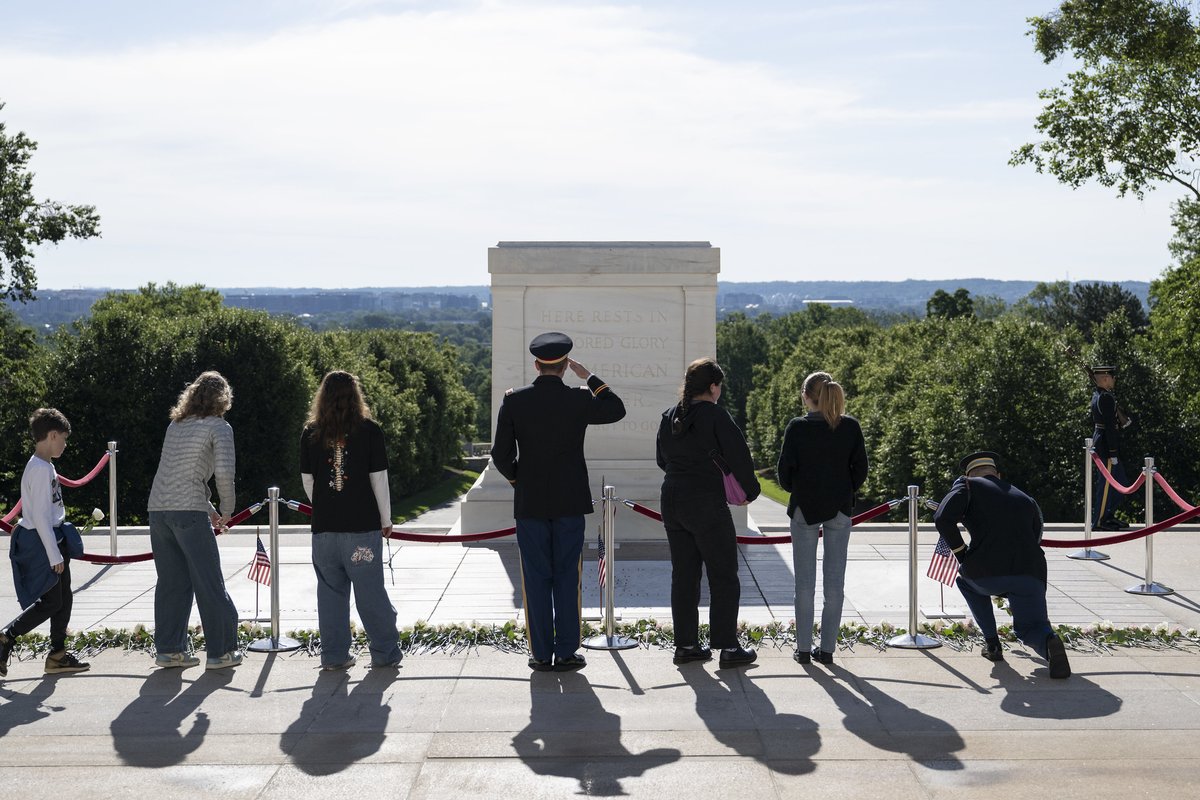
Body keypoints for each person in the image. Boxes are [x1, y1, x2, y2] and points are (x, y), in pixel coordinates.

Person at [491, 332, 626, 673]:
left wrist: (519, 480)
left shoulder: (515, 400)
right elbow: (616, 409)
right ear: (566, 365)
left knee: (536, 578)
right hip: (569, 501)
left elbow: (500, 455)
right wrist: (589, 377)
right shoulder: (578, 399)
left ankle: (540, 653)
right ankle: (566, 651)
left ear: (536, 365)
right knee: (568, 576)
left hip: (531, 502)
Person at [656, 357, 760, 669]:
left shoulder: (670, 415)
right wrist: (749, 493)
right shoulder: (715, 415)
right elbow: (740, 457)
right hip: (705, 501)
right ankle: (728, 647)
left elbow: (662, 459)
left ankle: (687, 645)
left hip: (671, 497)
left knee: (684, 575)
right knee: (724, 574)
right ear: (713, 387)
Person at [933, 450, 1070, 679]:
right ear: (997, 474)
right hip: (1031, 571)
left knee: (965, 581)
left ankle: (992, 644)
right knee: (1031, 628)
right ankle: (1050, 642)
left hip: (985, 571)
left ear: (970, 474)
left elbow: (942, 517)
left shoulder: (966, 486)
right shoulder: (1025, 497)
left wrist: (961, 553)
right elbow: (1037, 533)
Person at [299, 370, 402, 670]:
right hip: (361, 529)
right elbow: (378, 480)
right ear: (356, 396)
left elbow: (309, 481)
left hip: (324, 530)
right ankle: (384, 653)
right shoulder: (370, 431)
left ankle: (333, 656)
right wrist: (386, 519)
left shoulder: (310, 433)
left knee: (330, 595)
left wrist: (324, 506)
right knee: (370, 591)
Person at [147, 371, 242, 670]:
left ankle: (169, 649)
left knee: (171, 583)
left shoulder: (175, 425)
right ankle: (222, 651)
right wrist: (227, 510)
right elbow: (224, 473)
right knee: (209, 581)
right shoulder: (220, 427)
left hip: (158, 510)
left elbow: (179, 475)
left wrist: (210, 509)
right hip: (189, 512)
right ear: (223, 399)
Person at [776, 372, 868, 666]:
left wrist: (802, 489)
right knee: (834, 584)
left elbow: (785, 474)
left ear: (806, 396)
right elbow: (860, 470)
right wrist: (843, 489)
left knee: (804, 584)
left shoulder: (797, 428)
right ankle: (827, 650)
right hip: (840, 509)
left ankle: (803, 650)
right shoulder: (850, 427)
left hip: (805, 509)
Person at [0, 408, 90, 678]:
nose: (64, 444)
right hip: (45, 542)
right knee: (52, 601)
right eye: (63, 438)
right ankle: (7, 637)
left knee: (64, 598)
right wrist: (54, 555)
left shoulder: (43, 465)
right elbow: (39, 517)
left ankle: (58, 654)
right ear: (52, 435)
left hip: (53, 539)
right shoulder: (40, 469)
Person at [1089, 365, 1133, 531]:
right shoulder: (1105, 398)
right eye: (1113, 377)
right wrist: (1113, 452)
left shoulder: (1101, 395)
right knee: (1106, 486)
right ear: (1106, 378)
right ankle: (1099, 521)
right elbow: (1109, 426)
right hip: (1106, 446)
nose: (1114, 380)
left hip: (1103, 441)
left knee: (1121, 482)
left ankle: (1108, 515)